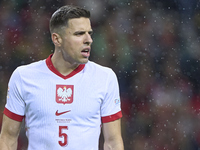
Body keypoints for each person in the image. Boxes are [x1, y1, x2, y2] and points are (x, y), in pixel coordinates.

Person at [0, 5, 124, 150]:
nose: (88, 40)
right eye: (79, 34)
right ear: (57, 39)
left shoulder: (105, 77)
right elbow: (8, 139)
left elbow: (113, 142)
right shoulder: (23, 77)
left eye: (89, 33)